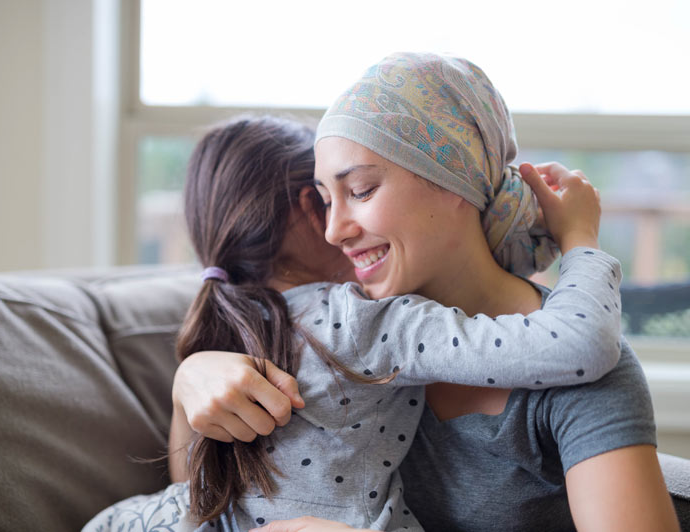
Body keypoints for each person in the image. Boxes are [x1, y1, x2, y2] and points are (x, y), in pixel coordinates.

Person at [170, 54, 680, 531]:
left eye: (362, 190)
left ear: (454, 180)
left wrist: (581, 243)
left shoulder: (582, 372)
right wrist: (189, 383)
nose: (333, 231)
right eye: (324, 202)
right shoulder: (326, 337)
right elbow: (197, 505)